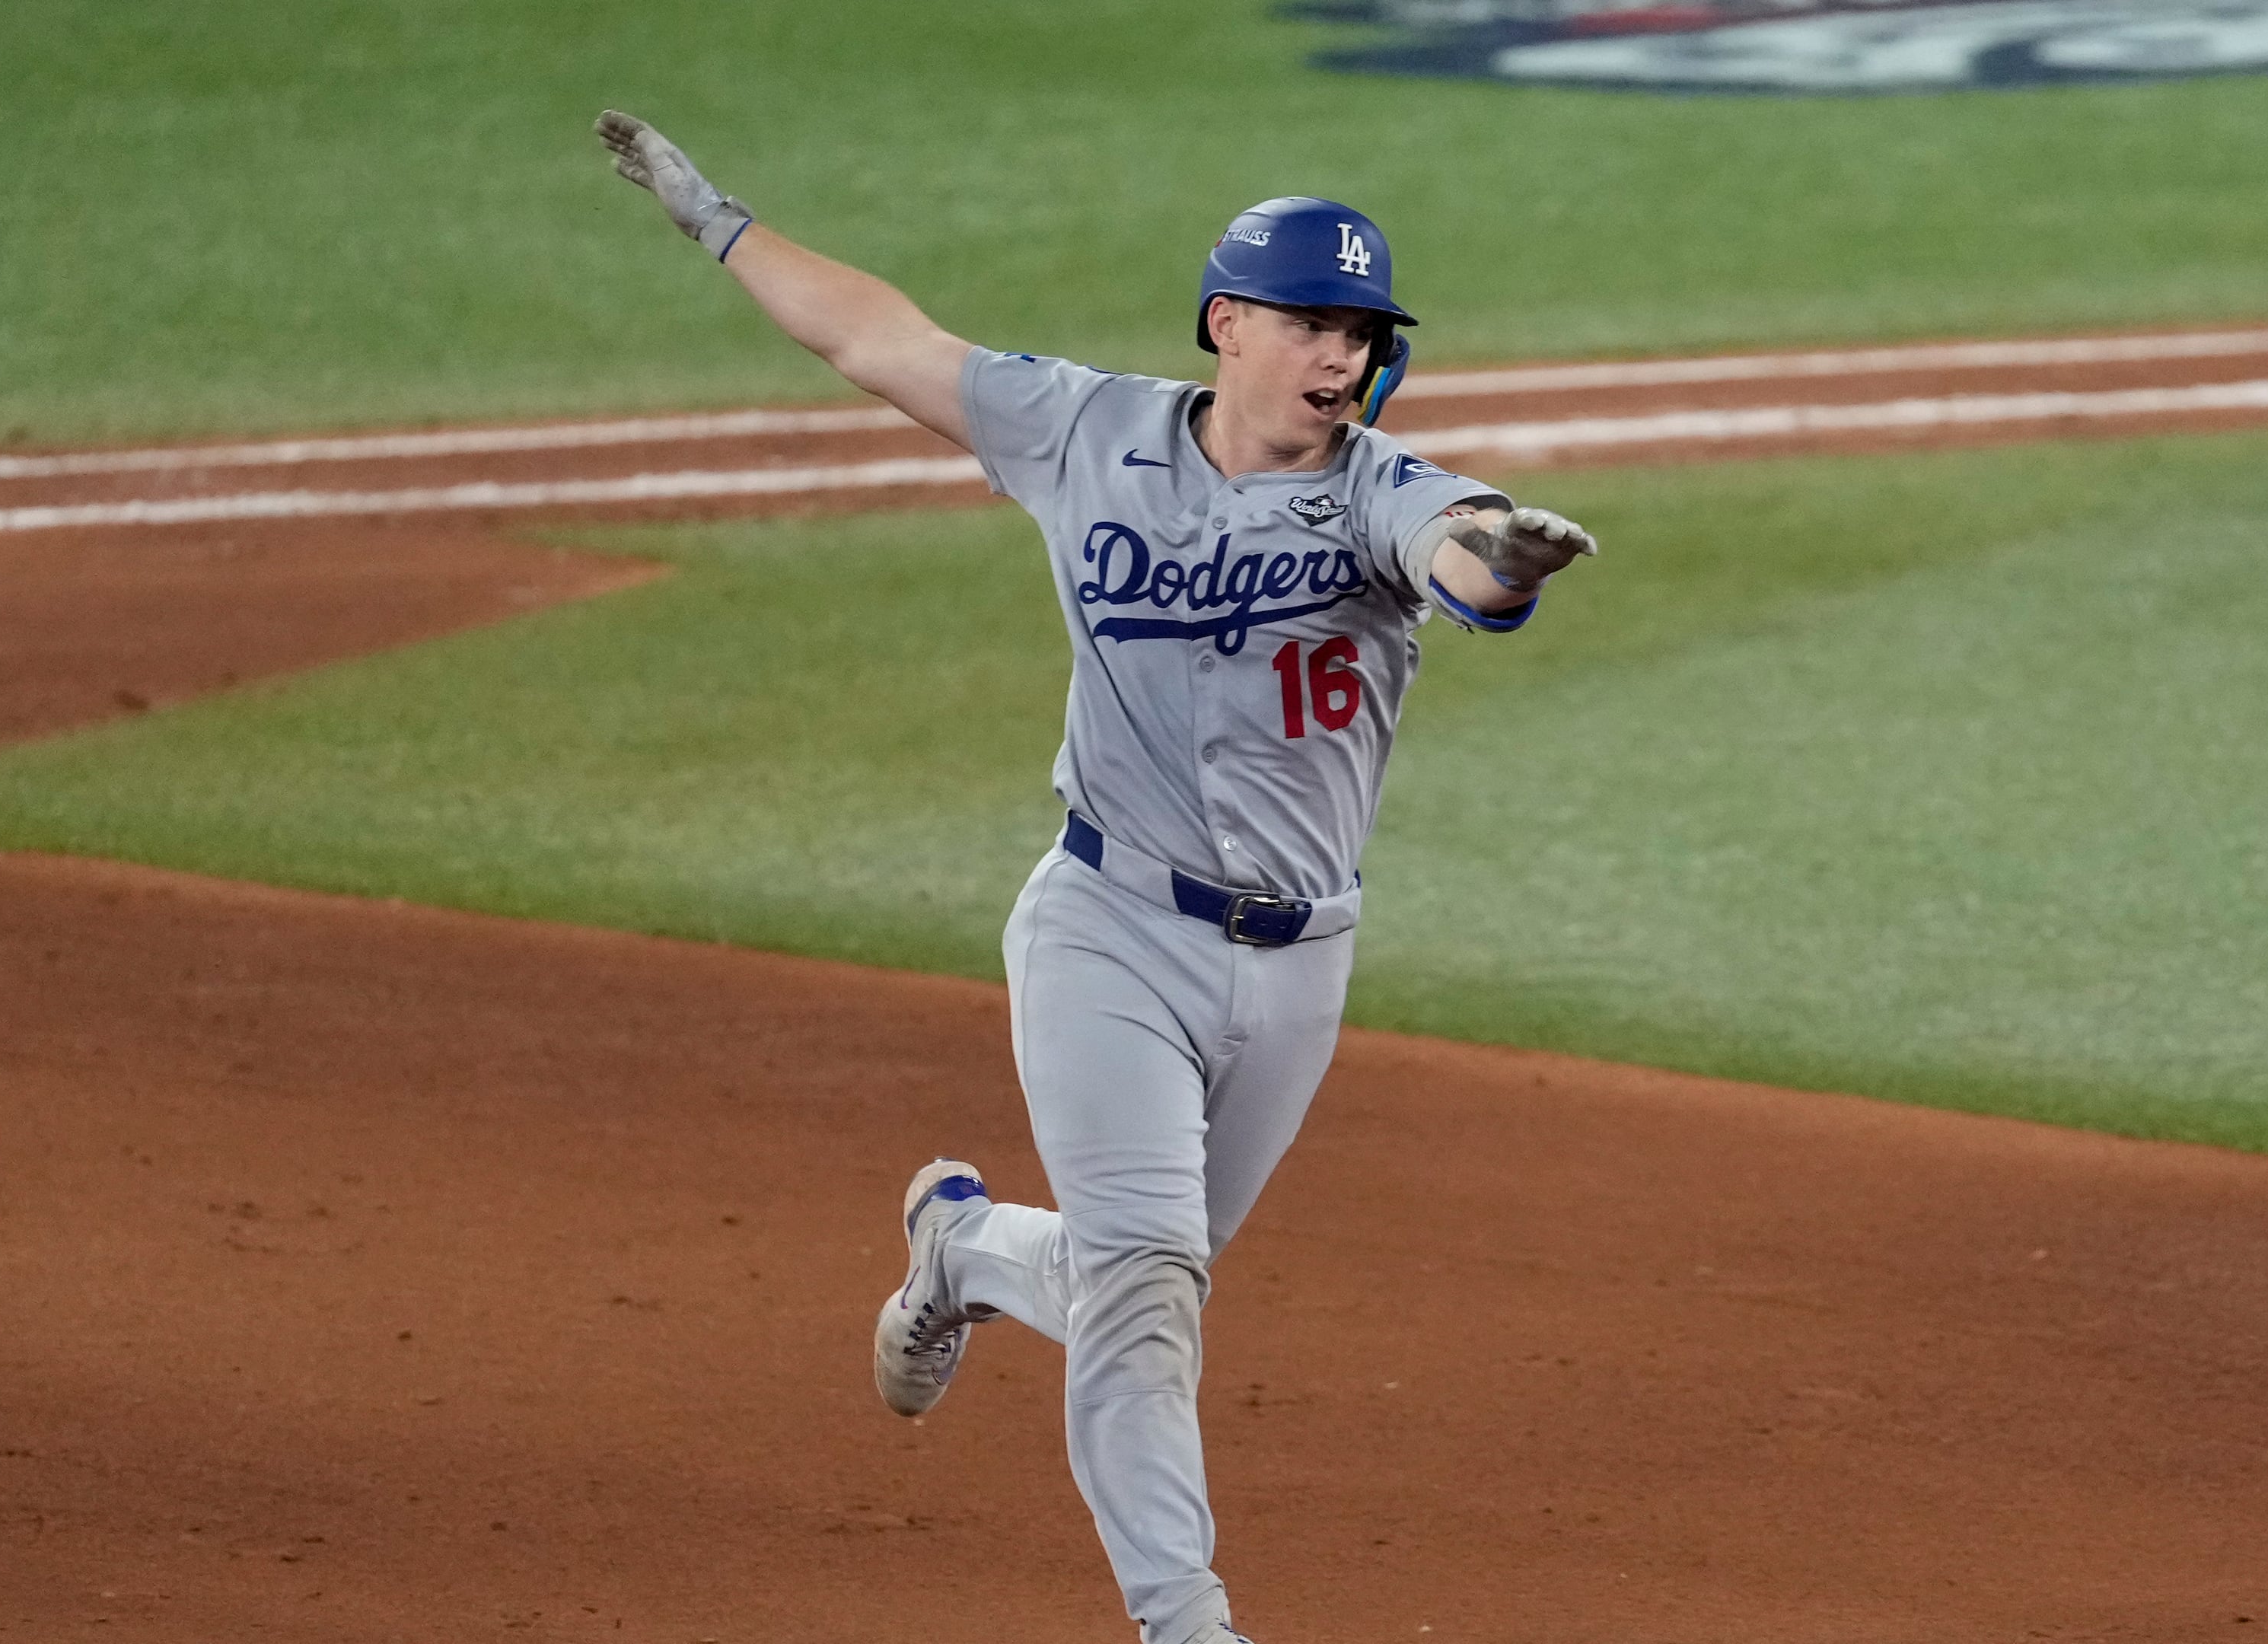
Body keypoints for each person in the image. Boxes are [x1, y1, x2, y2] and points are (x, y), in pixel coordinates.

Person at [597, 109, 1597, 1644]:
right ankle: (1184, 1624)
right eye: (1315, 326)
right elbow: (881, 339)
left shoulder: (1384, 491)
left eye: (1365, 333)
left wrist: (1508, 559)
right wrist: (722, 224)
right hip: (1107, 928)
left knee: (1145, 1284)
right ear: (1231, 325)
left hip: (1300, 966)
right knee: (1146, 1296)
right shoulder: (1083, 430)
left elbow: (1462, 552)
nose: (1345, 359)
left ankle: (967, 1247)